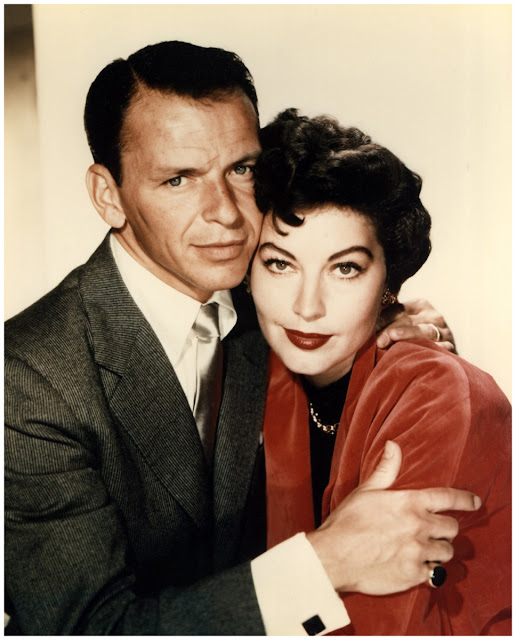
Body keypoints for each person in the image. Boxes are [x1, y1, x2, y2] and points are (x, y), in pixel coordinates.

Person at [5, 41, 480, 636]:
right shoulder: (28, 379)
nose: (227, 214)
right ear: (108, 195)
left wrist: (379, 323)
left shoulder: (273, 302)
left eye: (242, 169)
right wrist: (324, 564)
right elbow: (87, 630)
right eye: (179, 179)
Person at [249, 108, 511, 635]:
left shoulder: (434, 390)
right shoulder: (247, 374)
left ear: (389, 282)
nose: (306, 307)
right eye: (279, 263)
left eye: (345, 268)